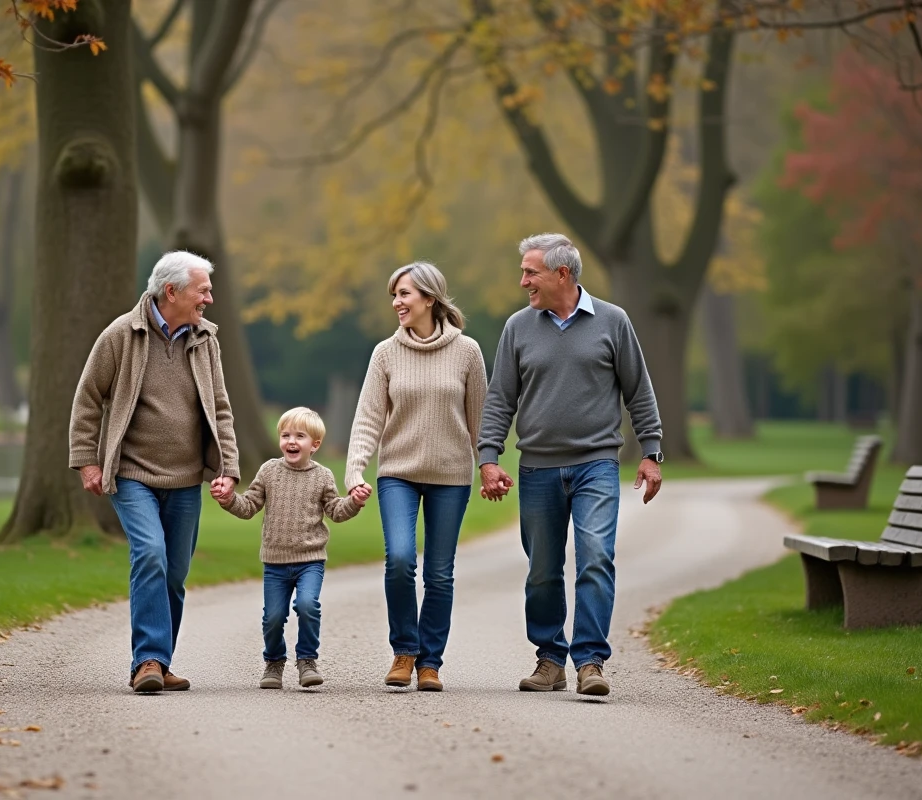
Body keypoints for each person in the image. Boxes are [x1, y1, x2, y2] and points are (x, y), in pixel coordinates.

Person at [477, 233, 663, 697]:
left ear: (562, 274)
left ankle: (591, 661)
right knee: (542, 569)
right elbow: (500, 397)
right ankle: (549, 659)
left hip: (596, 464)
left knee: (596, 557)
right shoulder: (518, 328)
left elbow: (638, 390)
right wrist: (488, 457)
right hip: (537, 468)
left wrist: (652, 452)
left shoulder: (612, 322)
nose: (523, 281)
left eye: (530, 272)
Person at [69, 250, 239, 694]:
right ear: (172, 291)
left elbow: (220, 409)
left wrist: (229, 468)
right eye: (202, 290)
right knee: (150, 555)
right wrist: (87, 459)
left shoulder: (206, 340)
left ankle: (160, 663)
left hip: (184, 479)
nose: (209, 299)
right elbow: (89, 398)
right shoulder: (121, 335)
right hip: (132, 473)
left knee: (175, 573)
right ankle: (146, 659)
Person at [346, 261, 488, 692]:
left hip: (451, 476)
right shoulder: (385, 353)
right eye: (394, 295)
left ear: (430, 298)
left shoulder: (468, 352)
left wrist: (489, 465)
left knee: (440, 574)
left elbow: (480, 418)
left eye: (404, 294)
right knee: (401, 559)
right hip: (398, 474)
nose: (397, 303)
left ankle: (431, 664)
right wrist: (355, 469)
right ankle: (404, 651)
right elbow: (368, 418)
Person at [217, 407, 367, 689]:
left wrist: (354, 502)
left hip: (311, 560)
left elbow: (335, 511)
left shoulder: (323, 476)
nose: (292, 441)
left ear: (315, 445)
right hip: (275, 562)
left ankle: (307, 660)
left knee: (308, 606)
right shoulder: (268, 471)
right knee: (273, 617)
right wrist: (228, 499)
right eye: (286, 435)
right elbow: (249, 506)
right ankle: (274, 662)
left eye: (300, 436)